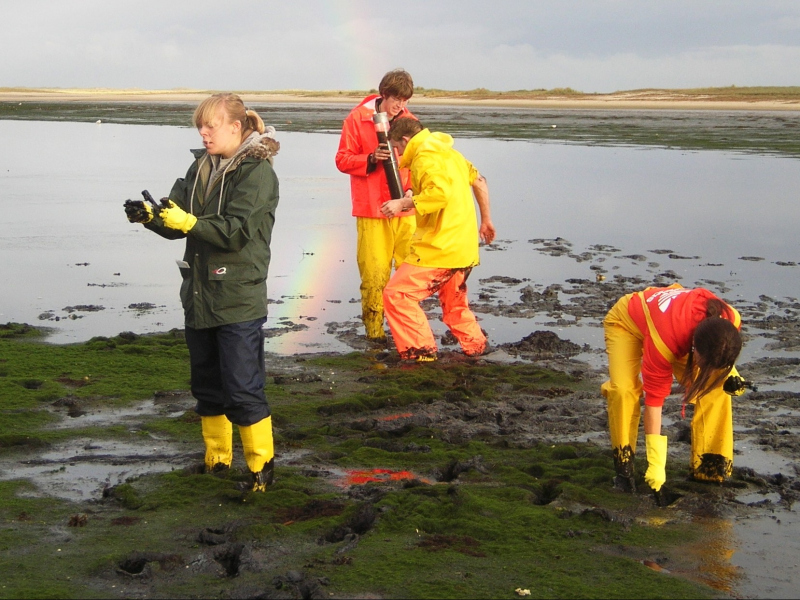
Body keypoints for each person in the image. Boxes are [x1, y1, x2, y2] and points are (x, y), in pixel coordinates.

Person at [123, 93, 280, 492]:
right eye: (200, 126)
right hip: (198, 295)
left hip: (238, 298)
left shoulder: (257, 172)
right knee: (207, 387)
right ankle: (217, 462)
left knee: (243, 388)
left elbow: (236, 231)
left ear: (235, 127)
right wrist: (151, 218)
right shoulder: (199, 166)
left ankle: (261, 471)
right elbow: (177, 219)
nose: (204, 132)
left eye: (210, 125)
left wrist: (188, 221)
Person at [601, 283, 748, 496]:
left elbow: (722, 354)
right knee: (624, 390)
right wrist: (656, 463)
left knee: (715, 389)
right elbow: (654, 403)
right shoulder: (666, 341)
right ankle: (624, 469)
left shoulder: (731, 319)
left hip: (677, 325)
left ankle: (710, 470)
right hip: (628, 322)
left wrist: (730, 373)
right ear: (694, 348)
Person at [379, 117, 496, 362]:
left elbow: (440, 193)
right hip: (464, 247)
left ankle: (420, 353)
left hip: (441, 247)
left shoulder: (424, 157)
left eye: (398, 149)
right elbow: (480, 181)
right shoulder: (451, 154)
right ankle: (477, 348)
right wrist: (486, 220)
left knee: (397, 294)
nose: (398, 155)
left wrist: (402, 202)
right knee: (454, 302)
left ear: (406, 140)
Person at [335, 68, 417, 342]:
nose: (400, 106)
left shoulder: (410, 121)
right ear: (384, 95)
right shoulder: (357, 119)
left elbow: (420, 162)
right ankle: (374, 335)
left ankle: (408, 334)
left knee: (410, 275)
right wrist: (370, 158)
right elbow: (342, 160)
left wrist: (411, 191)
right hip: (372, 209)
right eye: (397, 100)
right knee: (374, 276)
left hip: (405, 208)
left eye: (405, 101)